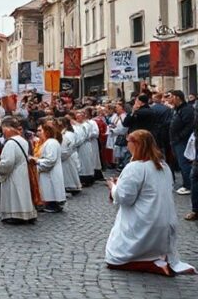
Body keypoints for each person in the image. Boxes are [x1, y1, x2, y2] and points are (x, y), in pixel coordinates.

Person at [105, 130, 195, 276]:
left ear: (136, 144)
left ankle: (151, 263)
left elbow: (125, 198)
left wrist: (113, 186)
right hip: (165, 222)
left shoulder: (135, 167)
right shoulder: (163, 166)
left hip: (144, 222)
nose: (127, 145)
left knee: (114, 259)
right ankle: (156, 259)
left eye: (129, 142)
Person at [0, 117, 38, 225]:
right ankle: (26, 213)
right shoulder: (23, 140)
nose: (3, 132)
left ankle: (15, 215)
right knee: (23, 193)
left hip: (13, 174)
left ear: (8, 128)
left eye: (3, 129)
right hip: (22, 172)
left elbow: (8, 162)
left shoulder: (10, 143)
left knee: (14, 194)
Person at [30, 121, 65, 213]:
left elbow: (50, 160)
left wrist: (37, 161)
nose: (38, 133)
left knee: (50, 189)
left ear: (47, 132)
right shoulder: (47, 142)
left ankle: (52, 204)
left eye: (40, 131)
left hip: (50, 173)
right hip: (47, 172)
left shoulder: (51, 143)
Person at [168, 91, 194, 195]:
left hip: (182, 141)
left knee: (184, 163)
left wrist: (179, 136)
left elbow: (189, 126)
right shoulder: (177, 109)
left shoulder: (187, 110)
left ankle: (189, 185)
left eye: (172, 97)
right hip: (176, 141)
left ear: (177, 98)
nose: (170, 99)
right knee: (181, 163)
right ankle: (186, 183)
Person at [57, 117, 83, 195]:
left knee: (70, 172)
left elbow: (70, 145)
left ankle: (71, 186)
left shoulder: (68, 134)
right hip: (67, 155)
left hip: (69, 155)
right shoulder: (63, 133)